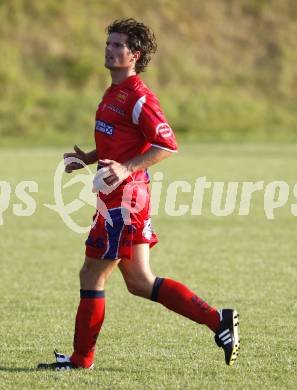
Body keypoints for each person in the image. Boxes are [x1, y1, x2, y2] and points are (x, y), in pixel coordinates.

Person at [38, 18, 239, 371]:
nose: (110, 49)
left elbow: (167, 144)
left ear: (135, 55)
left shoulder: (139, 98)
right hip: (119, 197)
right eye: (109, 43)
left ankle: (81, 359)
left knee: (91, 275)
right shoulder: (113, 91)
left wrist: (127, 169)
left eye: (119, 46)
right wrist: (89, 158)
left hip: (124, 201)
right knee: (140, 282)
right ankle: (219, 321)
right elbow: (120, 141)